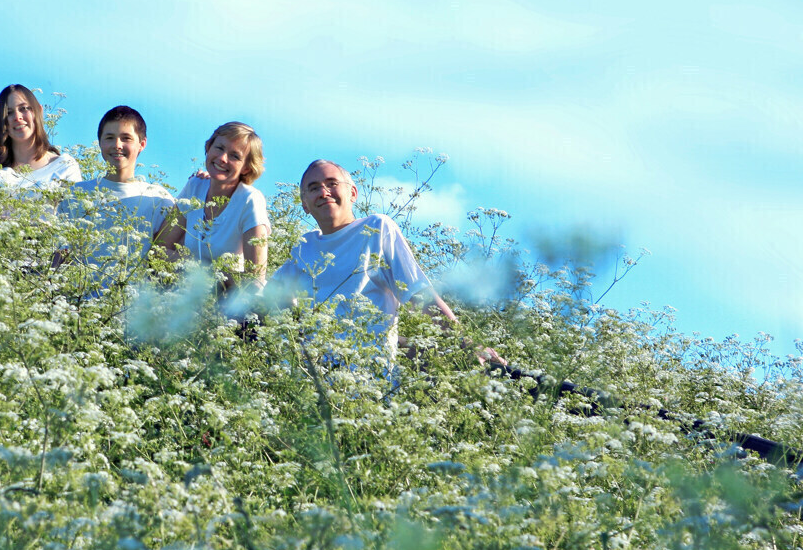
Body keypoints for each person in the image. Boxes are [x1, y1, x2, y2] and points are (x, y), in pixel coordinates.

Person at [269, 159, 502, 364]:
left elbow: (418, 294)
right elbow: (264, 302)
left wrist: (467, 343)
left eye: (332, 183)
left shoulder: (376, 229)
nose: (324, 192)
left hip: (369, 384)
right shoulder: (303, 248)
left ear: (353, 193)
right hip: (312, 385)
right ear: (305, 205)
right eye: (314, 188)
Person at [54, 106, 175, 287]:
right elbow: (59, 257)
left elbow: (167, 259)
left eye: (126, 138)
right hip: (78, 305)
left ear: (142, 144)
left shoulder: (158, 199)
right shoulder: (75, 195)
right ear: (100, 142)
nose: (117, 145)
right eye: (110, 138)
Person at [162, 122, 270, 306]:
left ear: (246, 167)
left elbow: (255, 280)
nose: (222, 158)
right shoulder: (195, 186)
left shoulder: (250, 200)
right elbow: (160, 249)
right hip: (183, 298)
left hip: (228, 304)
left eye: (235, 156)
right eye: (219, 148)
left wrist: (197, 269)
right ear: (208, 148)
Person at [0, 84, 81, 193]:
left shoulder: (64, 166)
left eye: (23, 108)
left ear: (39, 111)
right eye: (9, 113)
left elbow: (74, 208)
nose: (17, 117)